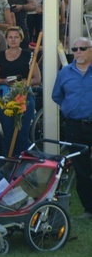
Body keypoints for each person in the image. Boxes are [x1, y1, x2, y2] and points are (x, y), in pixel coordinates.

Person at [52, 37, 92, 219]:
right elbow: (57, 96)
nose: (78, 52)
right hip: (75, 126)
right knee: (82, 169)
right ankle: (89, 209)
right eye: (74, 49)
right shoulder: (64, 73)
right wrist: (71, 108)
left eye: (82, 48)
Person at [0, 26, 40, 156]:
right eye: (10, 37)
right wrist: (4, 81)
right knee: (8, 131)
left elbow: (37, 79)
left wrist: (21, 83)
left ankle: (23, 162)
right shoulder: (0, 56)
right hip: (5, 96)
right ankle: (8, 163)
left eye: (16, 37)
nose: (13, 40)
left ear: (21, 39)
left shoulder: (29, 55)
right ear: (6, 39)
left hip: (23, 95)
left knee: (22, 131)